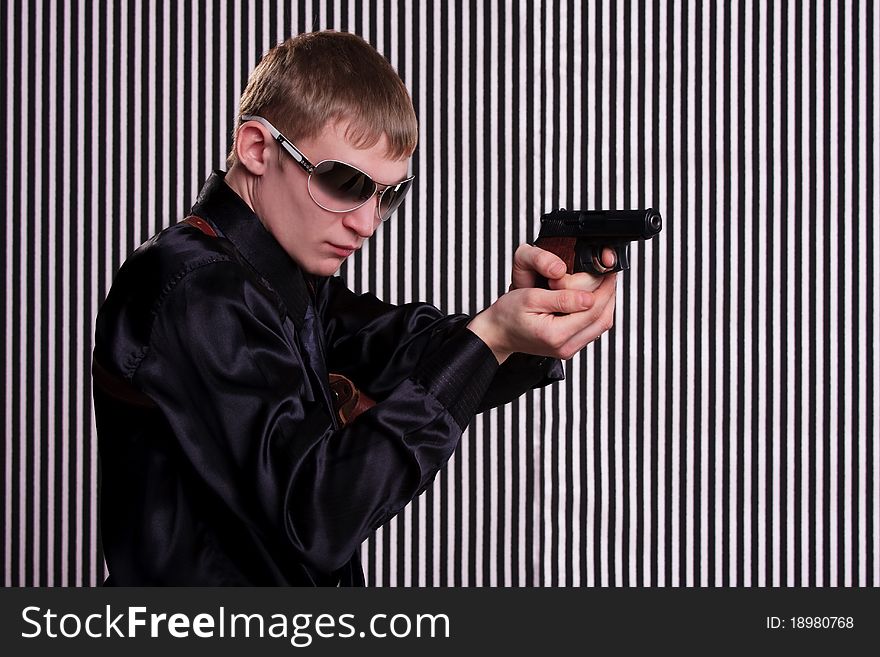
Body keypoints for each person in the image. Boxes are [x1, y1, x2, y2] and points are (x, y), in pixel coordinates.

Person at [92, 30, 617, 586]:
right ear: (257, 149)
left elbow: (404, 350)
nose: (366, 224)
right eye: (344, 182)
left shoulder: (275, 274)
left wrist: (528, 319)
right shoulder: (196, 290)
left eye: (388, 196)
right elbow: (315, 515)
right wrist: (489, 339)